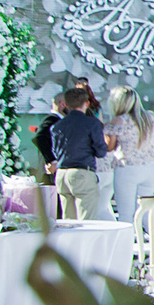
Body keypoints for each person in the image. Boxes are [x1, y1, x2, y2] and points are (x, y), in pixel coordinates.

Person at [98, 86, 154, 224]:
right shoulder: (152, 118)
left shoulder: (119, 120)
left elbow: (109, 147)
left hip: (127, 168)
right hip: (151, 168)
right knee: (146, 213)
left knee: (126, 214)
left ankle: (126, 245)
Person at [50, 87, 109, 220]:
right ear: (87, 103)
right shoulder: (92, 124)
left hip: (61, 173)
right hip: (81, 172)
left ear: (65, 104)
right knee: (87, 221)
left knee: (68, 222)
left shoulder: (57, 126)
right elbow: (101, 151)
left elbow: (55, 151)